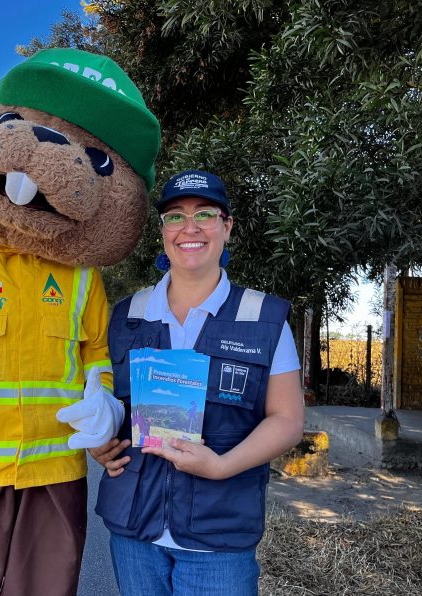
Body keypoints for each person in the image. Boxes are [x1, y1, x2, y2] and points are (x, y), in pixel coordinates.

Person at [90, 169, 305, 596]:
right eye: (175, 216)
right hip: (135, 533)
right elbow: (108, 403)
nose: (190, 228)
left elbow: (287, 419)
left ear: (227, 228)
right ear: (163, 231)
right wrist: (101, 442)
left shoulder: (263, 317)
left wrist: (221, 466)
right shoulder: (126, 315)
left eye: (205, 214)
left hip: (219, 538)